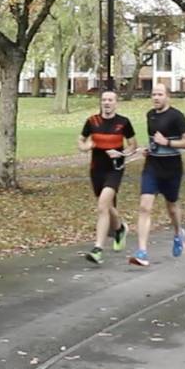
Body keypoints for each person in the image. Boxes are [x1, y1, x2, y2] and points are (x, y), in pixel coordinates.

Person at [129, 82, 185, 267]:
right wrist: (149, 149)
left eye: (159, 94)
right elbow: (154, 141)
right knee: (144, 207)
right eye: (153, 94)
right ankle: (142, 251)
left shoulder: (177, 117)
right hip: (152, 167)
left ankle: (178, 233)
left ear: (167, 96)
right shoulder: (150, 115)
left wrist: (167, 142)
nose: (156, 98)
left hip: (172, 168)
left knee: (172, 208)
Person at [78, 90, 137, 264]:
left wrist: (121, 153)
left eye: (110, 100)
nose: (107, 103)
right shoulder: (92, 121)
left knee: (103, 205)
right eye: (104, 100)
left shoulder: (123, 122)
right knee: (107, 205)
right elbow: (81, 141)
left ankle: (98, 249)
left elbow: (133, 145)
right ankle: (119, 229)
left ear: (116, 103)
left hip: (115, 169)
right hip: (96, 169)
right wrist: (85, 146)